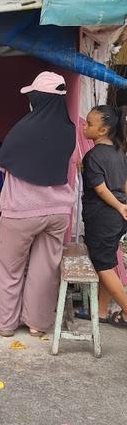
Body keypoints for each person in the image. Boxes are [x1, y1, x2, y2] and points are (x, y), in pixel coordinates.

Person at [0, 71, 76, 337]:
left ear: (37, 99)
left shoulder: (23, 128)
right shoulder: (69, 130)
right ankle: (37, 324)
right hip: (59, 211)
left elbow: (2, 163)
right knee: (44, 271)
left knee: (10, 270)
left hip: (21, 212)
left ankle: (4, 324)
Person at [81, 104, 127, 326]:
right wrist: (123, 206)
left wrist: (118, 206)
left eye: (89, 124)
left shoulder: (92, 156)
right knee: (106, 261)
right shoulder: (120, 153)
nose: (84, 126)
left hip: (103, 217)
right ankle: (100, 312)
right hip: (117, 218)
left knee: (103, 266)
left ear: (102, 131)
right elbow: (125, 185)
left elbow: (100, 189)